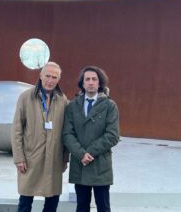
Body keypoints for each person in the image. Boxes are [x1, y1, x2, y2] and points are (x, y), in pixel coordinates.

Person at [11, 61, 69, 212]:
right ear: (41, 76)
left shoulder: (63, 100)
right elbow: (16, 129)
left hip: (54, 158)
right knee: (26, 198)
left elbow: (66, 132)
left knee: (52, 198)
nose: (50, 80)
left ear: (58, 79)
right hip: (31, 156)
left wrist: (64, 158)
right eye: (48, 76)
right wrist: (19, 157)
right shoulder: (26, 97)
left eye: (54, 77)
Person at [62, 66, 120, 212]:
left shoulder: (109, 106)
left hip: (100, 165)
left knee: (103, 207)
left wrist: (90, 152)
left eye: (94, 79)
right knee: (81, 207)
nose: (91, 82)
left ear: (100, 83)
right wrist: (81, 154)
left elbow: (113, 135)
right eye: (87, 79)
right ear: (82, 83)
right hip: (79, 164)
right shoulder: (72, 106)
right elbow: (67, 134)